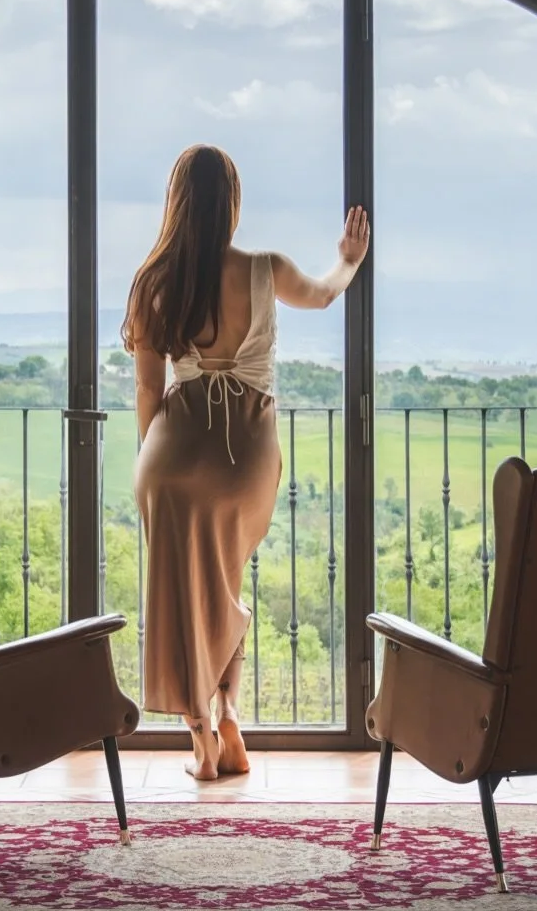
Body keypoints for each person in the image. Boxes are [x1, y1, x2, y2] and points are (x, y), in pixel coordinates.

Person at [124, 144, 370, 780]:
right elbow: (322, 295)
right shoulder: (264, 269)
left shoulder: (155, 282)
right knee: (225, 586)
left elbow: (150, 391)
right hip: (246, 454)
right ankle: (229, 712)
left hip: (172, 452)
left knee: (180, 593)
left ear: (175, 202)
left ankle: (201, 737)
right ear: (231, 204)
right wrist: (346, 261)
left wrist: (154, 457)